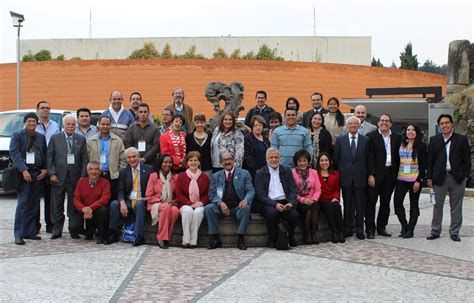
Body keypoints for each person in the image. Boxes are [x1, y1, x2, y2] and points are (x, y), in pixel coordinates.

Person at [426, 114, 471, 242]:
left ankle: (454, 232)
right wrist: (429, 177)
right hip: (439, 177)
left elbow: (466, 160)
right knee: (437, 206)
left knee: (456, 206)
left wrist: (465, 176)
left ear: (452, 124)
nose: (444, 125)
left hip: (457, 178)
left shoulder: (461, 139)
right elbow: (430, 161)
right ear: (439, 126)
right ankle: (435, 231)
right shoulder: (434, 140)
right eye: (442, 123)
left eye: (447, 123)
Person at [47, 114, 88, 239]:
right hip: (58, 177)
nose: (70, 126)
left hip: (75, 178)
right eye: (68, 124)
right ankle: (57, 229)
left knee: (73, 204)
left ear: (75, 125)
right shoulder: (55, 138)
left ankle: (73, 229)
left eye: (72, 124)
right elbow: (50, 157)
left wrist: (82, 177)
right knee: (57, 204)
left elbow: (84, 160)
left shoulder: (81, 139)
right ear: (63, 125)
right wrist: (52, 173)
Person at [10, 113, 47, 245]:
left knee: (33, 203)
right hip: (23, 173)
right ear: (25, 123)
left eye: (34, 122)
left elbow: (45, 153)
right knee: (23, 204)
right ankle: (18, 234)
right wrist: (23, 170)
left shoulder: (41, 137)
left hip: (37, 173)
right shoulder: (17, 136)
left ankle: (30, 231)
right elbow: (14, 154)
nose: (32, 124)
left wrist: (45, 169)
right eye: (29, 121)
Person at [205, 152, 254, 250]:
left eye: (229, 159)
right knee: (208, 208)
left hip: (237, 207)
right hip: (221, 207)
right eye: (224, 160)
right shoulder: (216, 176)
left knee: (246, 207)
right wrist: (220, 203)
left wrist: (245, 200)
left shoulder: (244, 173)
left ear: (234, 161)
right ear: (220, 162)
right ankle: (215, 239)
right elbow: (212, 194)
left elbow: (250, 191)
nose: (227, 162)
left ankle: (240, 238)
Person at [107, 147, 153, 246]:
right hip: (129, 200)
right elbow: (120, 190)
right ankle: (113, 233)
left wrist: (145, 198)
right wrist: (122, 202)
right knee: (114, 204)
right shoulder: (123, 172)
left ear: (139, 157)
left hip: (143, 199)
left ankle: (139, 236)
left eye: (134, 156)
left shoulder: (149, 169)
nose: (132, 159)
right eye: (129, 158)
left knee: (140, 204)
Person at [255, 148, 299, 248]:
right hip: (268, 202)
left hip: (285, 201)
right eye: (271, 157)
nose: (274, 160)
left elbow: (292, 190)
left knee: (294, 215)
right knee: (272, 214)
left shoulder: (287, 171)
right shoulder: (260, 173)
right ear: (266, 159)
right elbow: (260, 194)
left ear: (280, 159)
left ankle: (290, 236)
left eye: (276, 157)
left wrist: (291, 203)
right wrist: (275, 204)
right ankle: (273, 238)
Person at [333, 116, 369, 240]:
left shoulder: (365, 140)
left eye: (355, 123)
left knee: (360, 205)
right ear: (347, 126)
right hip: (345, 177)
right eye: (350, 124)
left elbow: (368, 159)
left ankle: (359, 229)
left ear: (359, 126)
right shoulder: (340, 140)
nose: (353, 125)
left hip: (360, 177)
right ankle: (347, 228)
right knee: (347, 205)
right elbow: (336, 159)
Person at [366, 114, 401, 238]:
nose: (384, 123)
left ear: (391, 123)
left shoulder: (397, 137)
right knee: (371, 202)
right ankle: (370, 229)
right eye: (382, 121)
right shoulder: (371, 137)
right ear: (378, 123)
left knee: (385, 203)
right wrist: (370, 174)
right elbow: (369, 157)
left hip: (390, 173)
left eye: (387, 121)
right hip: (375, 174)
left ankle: (381, 227)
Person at [393, 124, 427, 238]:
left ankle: (411, 229)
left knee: (414, 204)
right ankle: (404, 225)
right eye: (408, 130)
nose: (410, 131)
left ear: (416, 132)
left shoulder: (421, 146)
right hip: (401, 178)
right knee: (397, 203)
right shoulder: (401, 144)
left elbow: (423, 166)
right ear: (405, 132)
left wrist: (419, 180)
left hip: (414, 179)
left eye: (413, 130)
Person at [87, 115, 127, 200]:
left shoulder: (118, 140)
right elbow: (87, 158)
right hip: (96, 175)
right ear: (99, 125)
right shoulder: (91, 141)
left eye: (107, 124)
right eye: (103, 124)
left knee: (112, 200)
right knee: (96, 200)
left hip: (112, 175)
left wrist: (117, 171)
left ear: (111, 125)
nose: (105, 126)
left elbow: (123, 159)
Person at [70, 161, 111, 244]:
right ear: (87, 171)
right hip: (83, 209)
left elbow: (105, 199)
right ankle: (88, 232)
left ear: (100, 171)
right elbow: (76, 199)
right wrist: (83, 209)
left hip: (97, 210)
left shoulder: (105, 182)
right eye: (91, 169)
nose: (93, 172)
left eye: (96, 169)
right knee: (73, 228)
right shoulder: (81, 182)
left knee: (104, 210)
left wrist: (90, 208)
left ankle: (101, 236)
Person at [176, 152, 210, 248]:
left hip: (200, 204)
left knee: (198, 212)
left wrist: (201, 202)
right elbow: (178, 194)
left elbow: (208, 194)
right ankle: (186, 240)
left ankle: (193, 240)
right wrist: (190, 203)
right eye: (191, 160)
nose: (193, 162)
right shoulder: (181, 176)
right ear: (187, 163)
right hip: (185, 204)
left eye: (196, 160)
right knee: (188, 211)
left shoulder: (205, 177)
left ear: (199, 163)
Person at [35, 100, 59, 233]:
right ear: (37, 110)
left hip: (50, 166)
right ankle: (35, 225)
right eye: (42, 108)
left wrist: (50, 169)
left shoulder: (55, 125)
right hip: (37, 167)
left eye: (47, 108)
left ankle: (50, 224)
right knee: (35, 198)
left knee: (50, 199)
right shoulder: (33, 124)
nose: (45, 110)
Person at [145, 154, 179, 249]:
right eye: (165, 162)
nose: (167, 164)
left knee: (175, 210)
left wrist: (173, 201)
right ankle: (161, 238)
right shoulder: (153, 176)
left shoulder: (175, 177)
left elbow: (178, 195)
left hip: (169, 203)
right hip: (154, 204)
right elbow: (148, 196)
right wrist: (161, 200)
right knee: (165, 207)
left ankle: (167, 237)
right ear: (160, 163)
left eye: (170, 162)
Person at [291, 150, 321, 244]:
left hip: (312, 200)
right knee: (308, 210)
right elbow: (292, 191)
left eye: (304, 160)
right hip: (300, 201)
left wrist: (314, 199)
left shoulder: (314, 172)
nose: (302, 163)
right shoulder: (292, 173)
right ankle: (307, 234)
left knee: (314, 209)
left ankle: (314, 233)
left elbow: (318, 189)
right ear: (296, 162)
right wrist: (303, 200)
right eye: (299, 161)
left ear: (308, 161)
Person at [316, 153, 345, 244]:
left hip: (332, 198)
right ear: (318, 162)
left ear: (330, 162)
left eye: (326, 160)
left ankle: (341, 231)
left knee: (336, 206)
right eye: (322, 160)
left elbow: (336, 189)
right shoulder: (315, 173)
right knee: (328, 207)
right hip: (321, 199)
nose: (324, 162)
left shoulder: (335, 174)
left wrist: (336, 197)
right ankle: (334, 232)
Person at [243, 115, 271, 180]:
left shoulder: (265, 139)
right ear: (252, 127)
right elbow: (246, 156)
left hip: (264, 170)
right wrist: (257, 169)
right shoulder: (248, 138)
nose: (258, 127)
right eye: (256, 125)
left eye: (260, 125)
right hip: (251, 171)